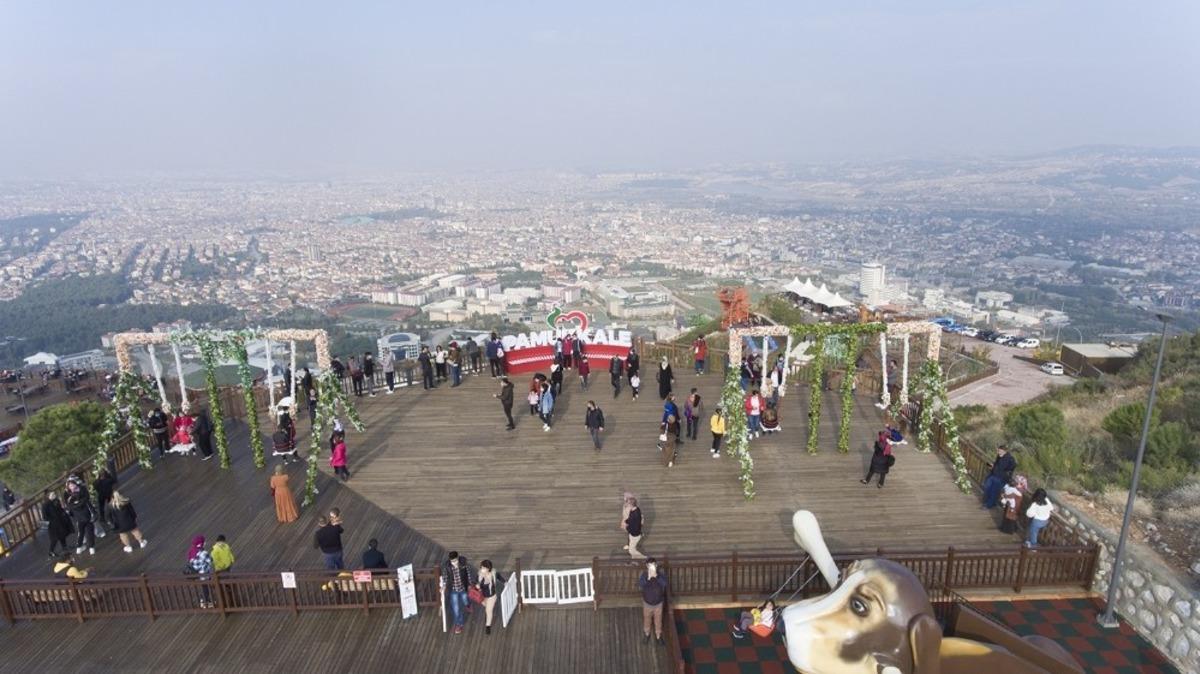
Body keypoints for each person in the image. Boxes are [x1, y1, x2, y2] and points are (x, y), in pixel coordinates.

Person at [443, 551, 477, 634]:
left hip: (463, 588)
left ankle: (468, 605)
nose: (454, 563)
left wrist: (469, 584)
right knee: (456, 609)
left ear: (458, 558)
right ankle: (459, 624)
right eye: (452, 561)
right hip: (453, 590)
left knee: (465, 600)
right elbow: (445, 577)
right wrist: (444, 586)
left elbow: (468, 575)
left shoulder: (463, 564)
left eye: (455, 560)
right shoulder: (447, 567)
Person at [639, 557, 668, 645]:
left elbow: (665, 584)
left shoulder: (660, 575)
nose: (651, 567)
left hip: (658, 603)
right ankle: (647, 634)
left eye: (653, 565)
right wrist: (648, 578)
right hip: (647, 603)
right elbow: (641, 584)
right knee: (647, 619)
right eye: (649, 565)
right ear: (647, 566)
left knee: (658, 620)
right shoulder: (644, 575)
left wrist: (657, 576)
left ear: (656, 565)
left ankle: (658, 635)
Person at [65, 484, 97, 555]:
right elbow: (90, 507)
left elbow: (70, 513)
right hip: (87, 517)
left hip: (79, 519)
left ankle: (79, 548)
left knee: (81, 533)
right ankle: (91, 548)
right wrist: (94, 514)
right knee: (90, 533)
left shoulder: (70, 503)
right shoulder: (84, 499)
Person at [41, 491, 74, 558]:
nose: (54, 495)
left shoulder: (56, 501)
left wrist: (65, 512)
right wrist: (52, 520)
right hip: (53, 524)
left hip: (60, 521)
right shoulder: (45, 505)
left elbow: (60, 509)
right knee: (54, 538)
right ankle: (51, 551)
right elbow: (45, 516)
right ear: (48, 496)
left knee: (62, 534)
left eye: (54, 494)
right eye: (52, 495)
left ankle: (64, 546)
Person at [476, 559, 505, 635]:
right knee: (486, 607)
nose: (482, 569)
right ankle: (488, 615)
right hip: (483, 596)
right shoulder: (480, 575)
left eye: (484, 568)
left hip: (492, 596)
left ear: (488, 568)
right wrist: (477, 586)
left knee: (488, 610)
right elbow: (476, 582)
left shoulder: (493, 574)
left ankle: (488, 626)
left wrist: (505, 582)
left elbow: (499, 577)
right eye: (481, 567)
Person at [188, 535, 215, 608]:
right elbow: (210, 560)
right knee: (206, 588)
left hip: (197, 574)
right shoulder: (203, 553)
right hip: (205, 574)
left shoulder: (191, 552)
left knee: (204, 587)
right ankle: (205, 602)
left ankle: (205, 601)